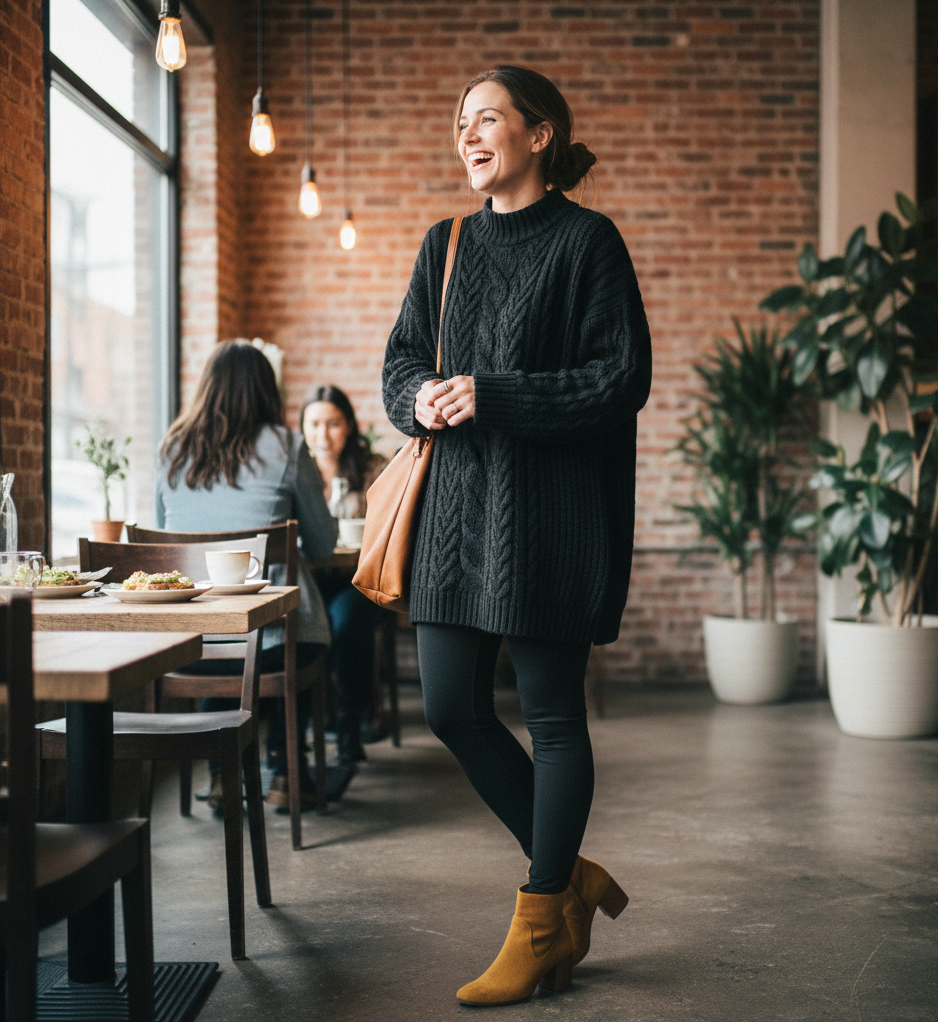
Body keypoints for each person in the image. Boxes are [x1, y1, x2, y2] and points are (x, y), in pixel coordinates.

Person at [382, 66, 652, 1006]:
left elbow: (619, 380)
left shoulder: (588, 242)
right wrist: (416, 394)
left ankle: (543, 919)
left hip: (550, 522)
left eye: (486, 118)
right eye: (459, 122)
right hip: (456, 523)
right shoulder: (444, 244)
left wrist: (491, 394)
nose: (467, 134)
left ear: (540, 134)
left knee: (553, 718)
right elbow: (402, 361)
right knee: (452, 707)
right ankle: (570, 876)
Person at [155, 340, 337, 812]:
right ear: (266, 389)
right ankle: (285, 772)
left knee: (223, 632)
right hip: (273, 647)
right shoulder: (287, 445)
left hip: (186, 646)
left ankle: (222, 776)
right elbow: (320, 546)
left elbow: (162, 543)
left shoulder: (171, 448)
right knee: (295, 628)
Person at [299, 386, 388, 764]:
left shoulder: (373, 469)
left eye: (333, 424)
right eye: (314, 424)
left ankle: (351, 725)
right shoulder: (297, 474)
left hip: (362, 579)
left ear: (349, 426)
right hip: (315, 577)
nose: (323, 435)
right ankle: (308, 724)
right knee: (302, 616)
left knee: (346, 620)